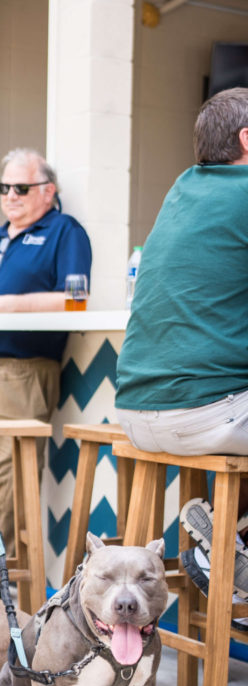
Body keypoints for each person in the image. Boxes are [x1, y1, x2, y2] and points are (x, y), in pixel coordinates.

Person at [115, 87, 248, 615]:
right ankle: (228, 542)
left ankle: (228, 534)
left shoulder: (182, 188)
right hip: (204, 415)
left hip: (134, 413)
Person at [0, 148, 92, 549]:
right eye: (4, 187)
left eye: (21, 188)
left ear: (48, 191)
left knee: (6, 481)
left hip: (22, 370)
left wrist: (4, 306)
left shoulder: (64, 231)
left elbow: (76, 300)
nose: (11, 196)